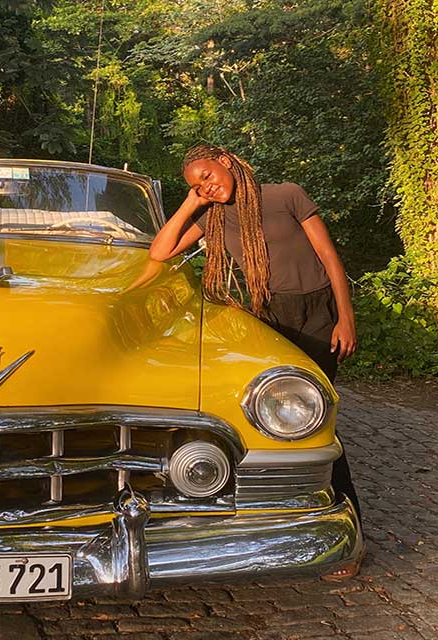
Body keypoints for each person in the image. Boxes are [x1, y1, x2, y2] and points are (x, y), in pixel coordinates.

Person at [150, 143, 362, 580]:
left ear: (226, 161)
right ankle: (286, 517)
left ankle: (351, 535)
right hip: (268, 317)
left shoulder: (286, 195)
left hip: (317, 313)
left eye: (207, 176)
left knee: (319, 420)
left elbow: (330, 259)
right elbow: (160, 251)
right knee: (280, 419)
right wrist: (192, 202)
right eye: (195, 184)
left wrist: (346, 319)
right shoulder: (212, 217)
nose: (206, 186)